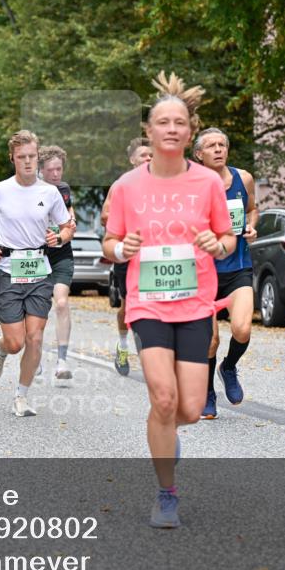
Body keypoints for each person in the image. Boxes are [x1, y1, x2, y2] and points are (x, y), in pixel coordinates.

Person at [103, 71, 235, 528]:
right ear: (149, 130)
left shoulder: (208, 183)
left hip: (196, 304)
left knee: (190, 411)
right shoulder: (127, 186)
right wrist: (123, 250)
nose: (172, 129)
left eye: (180, 122)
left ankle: (166, 433)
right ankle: (166, 494)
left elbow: (227, 237)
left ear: (191, 130)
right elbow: (110, 242)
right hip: (148, 304)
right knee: (162, 399)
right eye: (163, 122)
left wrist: (219, 246)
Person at [0, 130, 70, 418]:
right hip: (8, 271)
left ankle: (21, 396)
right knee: (16, 341)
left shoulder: (49, 192)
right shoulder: (0, 190)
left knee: (35, 338)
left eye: (32, 156)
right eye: (22, 157)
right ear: (13, 158)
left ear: (37, 156)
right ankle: (2, 348)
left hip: (40, 270)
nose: (28, 162)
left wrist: (61, 237)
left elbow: (67, 226)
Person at [194, 128, 259, 418]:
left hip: (238, 268)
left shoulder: (243, 178)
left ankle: (229, 366)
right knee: (209, 341)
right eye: (211, 145)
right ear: (199, 154)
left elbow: (253, 209)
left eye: (222, 144)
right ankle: (207, 392)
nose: (218, 149)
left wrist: (252, 227)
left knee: (242, 329)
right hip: (203, 273)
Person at [101, 138, 153, 375]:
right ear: (132, 160)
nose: (149, 158)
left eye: (152, 154)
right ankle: (123, 346)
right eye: (144, 155)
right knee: (128, 305)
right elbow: (105, 216)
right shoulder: (122, 185)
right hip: (129, 254)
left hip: (154, 255)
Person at [38, 145, 78, 380]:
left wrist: (70, 221)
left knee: (61, 303)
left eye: (59, 169)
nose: (56, 174)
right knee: (37, 310)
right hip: (36, 256)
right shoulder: (31, 190)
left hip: (61, 253)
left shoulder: (63, 189)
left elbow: (69, 213)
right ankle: (36, 357)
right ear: (41, 170)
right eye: (50, 170)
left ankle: (62, 360)